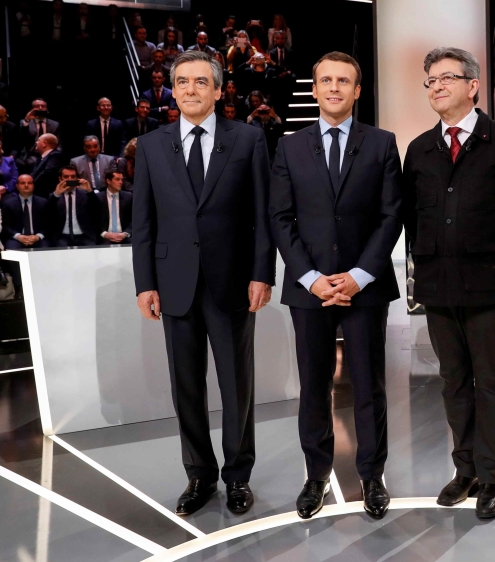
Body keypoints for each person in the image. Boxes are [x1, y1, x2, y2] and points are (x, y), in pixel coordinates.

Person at [132, 49, 275, 518]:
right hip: (173, 284)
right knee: (186, 386)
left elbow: (262, 215)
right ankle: (199, 475)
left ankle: (238, 476)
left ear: (217, 90)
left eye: (199, 82)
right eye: (182, 82)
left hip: (232, 282)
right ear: (172, 91)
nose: (190, 89)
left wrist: (262, 273)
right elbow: (143, 222)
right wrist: (144, 283)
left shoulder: (249, 139)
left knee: (237, 386)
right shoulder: (151, 145)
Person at [402, 47, 495, 520]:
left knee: (492, 380)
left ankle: (492, 476)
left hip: (488, 285)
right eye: (431, 80)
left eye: (447, 77)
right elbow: (411, 217)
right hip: (437, 285)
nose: (437, 86)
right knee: (453, 381)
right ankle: (465, 470)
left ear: (473, 85)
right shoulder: (420, 148)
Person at [270, 50, 401, 522]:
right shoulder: (289, 146)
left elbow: (391, 216)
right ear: (314, 89)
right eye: (326, 80)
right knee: (313, 386)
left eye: (343, 81)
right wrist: (311, 279)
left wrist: (359, 276)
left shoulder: (382, 143)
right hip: (310, 289)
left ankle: (372, 476)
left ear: (357, 90)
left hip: (365, 287)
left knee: (369, 386)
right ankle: (316, 475)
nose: (334, 88)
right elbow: (280, 217)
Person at [48, 165, 98, 247]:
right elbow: (47, 214)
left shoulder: (85, 194)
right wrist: (56, 195)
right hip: (62, 237)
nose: (70, 179)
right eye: (66, 177)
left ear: (77, 178)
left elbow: (98, 210)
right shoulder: (54, 196)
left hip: (84, 236)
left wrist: (90, 192)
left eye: (73, 177)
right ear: (60, 179)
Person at [0, 174, 49, 249]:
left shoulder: (43, 203)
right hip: (16, 238)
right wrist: (18, 236)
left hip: (37, 238)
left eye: (29, 183)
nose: (26, 185)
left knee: (45, 248)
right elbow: (6, 226)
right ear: (17, 186)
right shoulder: (8, 203)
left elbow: (48, 224)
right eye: (22, 183)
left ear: (33, 186)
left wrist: (38, 236)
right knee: (13, 249)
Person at [94, 169, 131, 245]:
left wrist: (125, 233)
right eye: (117, 179)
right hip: (104, 236)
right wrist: (105, 234)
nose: (121, 182)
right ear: (108, 181)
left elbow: (133, 219)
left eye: (121, 180)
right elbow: (94, 220)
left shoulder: (129, 197)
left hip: (124, 236)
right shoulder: (98, 198)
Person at [29, 133, 64, 198]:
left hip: (46, 195)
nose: (36, 142)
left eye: (38, 140)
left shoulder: (55, 155)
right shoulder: (40, 158)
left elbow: (46, 173)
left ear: (44, 143)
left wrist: (31, 185)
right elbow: (34, 172)